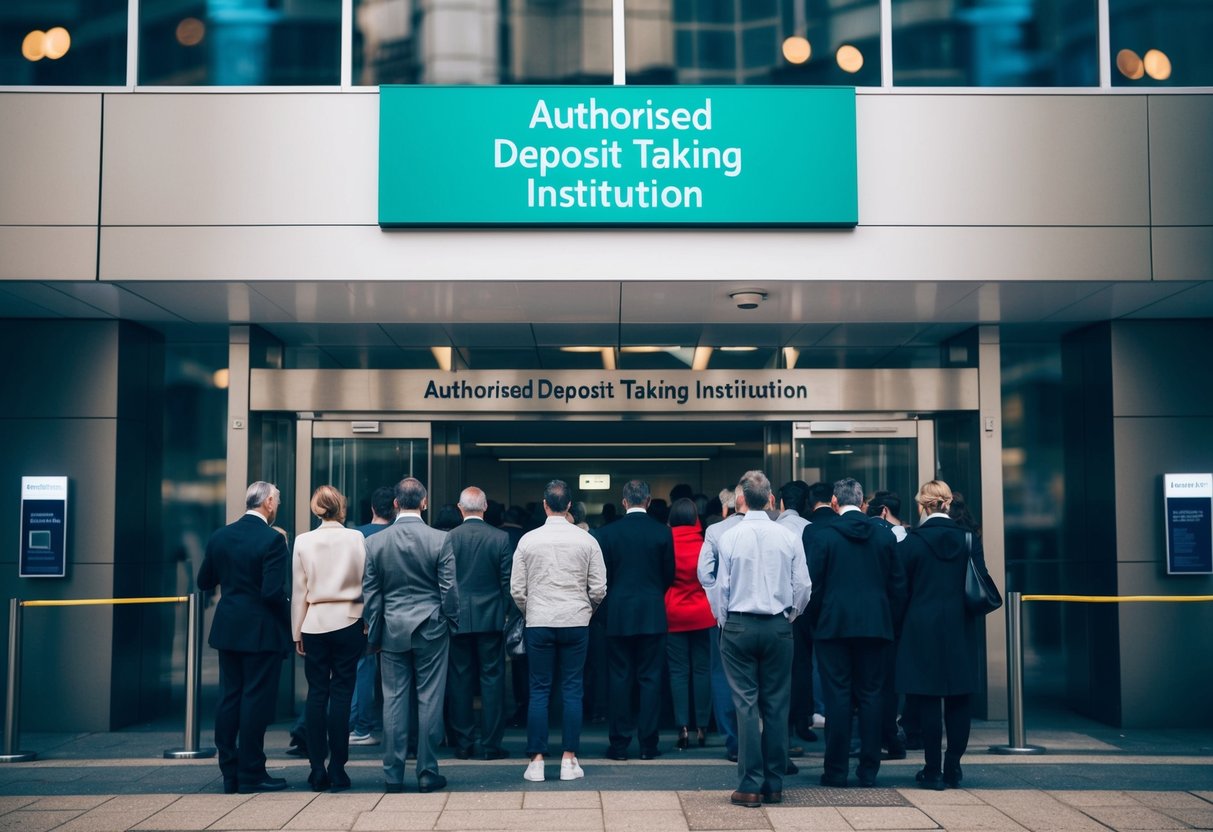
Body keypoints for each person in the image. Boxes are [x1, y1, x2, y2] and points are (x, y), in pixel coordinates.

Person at [699, 471, 810, 808]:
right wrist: (789, 615)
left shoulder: (728, 536)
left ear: (741, 500)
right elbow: (803, 586)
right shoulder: (788, 536)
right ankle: (774, 784)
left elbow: (719, 585)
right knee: (777, 704)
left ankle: (750, 784)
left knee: (746, 706)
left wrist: (724, 618)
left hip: (739, 625)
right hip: (778, 625)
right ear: (771, 499)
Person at [805, 477, 906, 789]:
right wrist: (887, 619)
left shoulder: (824, 537)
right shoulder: (885, 537)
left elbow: (813, 588)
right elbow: (898, 587)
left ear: (835, 503)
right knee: (872, 696)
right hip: (876, 626)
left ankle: (836, 770)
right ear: (863, 504)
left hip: (833, 627)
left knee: (838, 697)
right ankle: (868, 770)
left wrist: (816, 622)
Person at [362, 477, 458, 794]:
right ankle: (428, 772)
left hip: (391, 628)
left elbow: (372, 596)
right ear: (425, 502)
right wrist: (450, 622)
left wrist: (373, 634)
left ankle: (393, 775)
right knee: (430, 700)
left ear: (395, 503)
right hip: (431, 626)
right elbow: (449, 591)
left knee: (393, 701)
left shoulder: (375, 543)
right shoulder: (439, 540)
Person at [897, 480, 993, 790]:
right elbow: (979, 579)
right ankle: (953, 767)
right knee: (958, 698)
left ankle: (932, 769)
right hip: (959, 626)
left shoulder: (911, 543)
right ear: (947, 504)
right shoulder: (967, 539)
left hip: (920, 627)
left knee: (926, 699)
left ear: (922, 505)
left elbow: (899, 591)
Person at [197, 481, 292, 794]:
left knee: (229, 697)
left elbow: (204, 580)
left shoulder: (220, 536)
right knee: (255, 700)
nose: (276, 505)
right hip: (261, 631)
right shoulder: (272, 541)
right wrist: (288, 617)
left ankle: (229, 771)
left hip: (228, 628)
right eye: (276, 501)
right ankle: (252, 771)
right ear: (266, 503)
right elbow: (272, 593)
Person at [511, 479, 607, 783]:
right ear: (569, 506)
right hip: (576, 621)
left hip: (539, 621)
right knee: (572, 689)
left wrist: (531, 611)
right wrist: (586, 610)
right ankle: (569, 759)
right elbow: (599, 588)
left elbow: (517, 589)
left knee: (538, 690)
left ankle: (536, 761)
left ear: (544, 504)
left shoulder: (528, 540)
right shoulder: (586, 541)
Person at [291, 485, 367, 792]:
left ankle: (316, 767)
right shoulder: (356, 538)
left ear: (315, 509)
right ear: (342, 507)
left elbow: (299, 590)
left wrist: (296, 630)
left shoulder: (303, 541)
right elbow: (366, 580)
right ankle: (338, 767)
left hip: (315, 620)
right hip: (349, 619)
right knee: (343, 694)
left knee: (316, 693)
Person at [594, 479, 675, 761]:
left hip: (617, 614)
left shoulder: (607, 534)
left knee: (619, 679)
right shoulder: (662, 533)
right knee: (650, 679)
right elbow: (669, 576)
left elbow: (601, 580)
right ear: (649, 501)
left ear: (624, 502)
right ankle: (648, 745)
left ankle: (619, 745)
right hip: (652, 613)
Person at [444, 486, 513, 761]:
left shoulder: (448, 538)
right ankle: (491, 744)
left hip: (458, 617)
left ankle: (463, 742)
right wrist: (506, 612)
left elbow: (444, 582)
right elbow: (508, 582)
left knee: (460, 680)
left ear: (460, 508)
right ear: (485, 508)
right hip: (491, 617)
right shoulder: (501, 538)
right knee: (492, 680)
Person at [664, 497, 716, 750]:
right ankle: (702, 727)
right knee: (702, 670)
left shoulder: (666, 542)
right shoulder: (703, 543)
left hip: (673, 611)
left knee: (678, 672)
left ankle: (682, 727)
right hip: (701, 612)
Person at [697, 485, 743, 762]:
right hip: (771, 618)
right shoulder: (778, 530)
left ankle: (734, 742)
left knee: (723, 676)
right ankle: (770, 745)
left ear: (729, 506)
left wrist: (718, 609)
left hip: (728, 616)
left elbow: (705, 574)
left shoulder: (717, 531)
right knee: (767, 684)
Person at [348, 486, 395, 748]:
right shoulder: (397, 533)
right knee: (395, 674)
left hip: (362, 611)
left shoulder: (356, 536)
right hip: (396, 612)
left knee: (362, 670)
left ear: (373, 509)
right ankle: (385, 724)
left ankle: (361, 725)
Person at [776, 481, 817, 745]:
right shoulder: (809, 529)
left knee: (780, 670)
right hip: (806, 606)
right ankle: (804, 720)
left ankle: (785, 727)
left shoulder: (774, 529)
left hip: (779, 608)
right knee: (805, 665)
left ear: (780, 502)